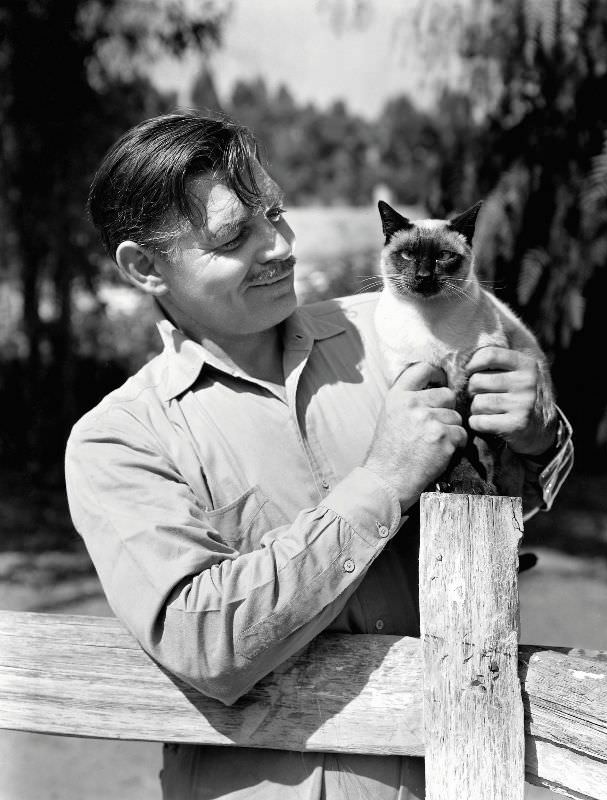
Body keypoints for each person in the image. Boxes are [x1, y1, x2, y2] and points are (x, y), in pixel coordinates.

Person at [66, 112, 573, 800]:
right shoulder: (119, 439)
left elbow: (504, 501)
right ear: (143, 267)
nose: (278, 245)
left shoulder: (396, 327)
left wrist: (537, 432)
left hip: (458, 775)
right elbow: (208, 643)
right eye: (235, 235)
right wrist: (385, 480)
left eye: (275, 212)